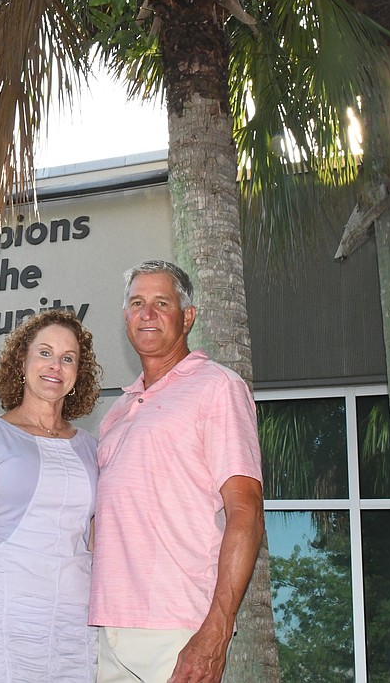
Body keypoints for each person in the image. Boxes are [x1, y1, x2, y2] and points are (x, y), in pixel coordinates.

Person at [90, 260, 264, 683]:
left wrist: (216, 630)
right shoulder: (116, 412)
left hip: (178, 628)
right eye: (136, 303)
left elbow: (247, 512)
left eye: (161, 302)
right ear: (126, 317)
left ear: (187, 317)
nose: (146, 314)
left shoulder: (217, 386)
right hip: (107, 628)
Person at [0, 309, 103, 682]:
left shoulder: (93, 449)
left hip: (78, 629)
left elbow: (99, 544)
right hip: (4, 622)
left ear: (78, 374)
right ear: (23, 360)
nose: (56, 366)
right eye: (45, 353)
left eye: (69, 358)